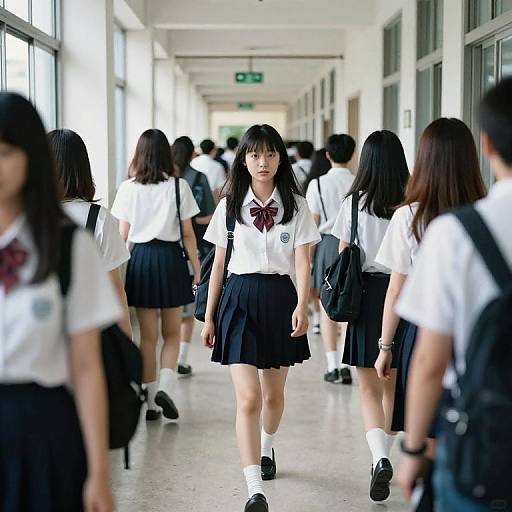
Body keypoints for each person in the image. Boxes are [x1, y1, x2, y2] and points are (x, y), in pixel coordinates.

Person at [392, 81, 512, 511]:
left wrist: (411, 450)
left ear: (489, 144)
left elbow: (429, 362)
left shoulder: (457, 234)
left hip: (486, 441)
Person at [0, 92, 120, 511]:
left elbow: (87, 369)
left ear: (31, 157)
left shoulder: (68, 247)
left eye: (6, 152)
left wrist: (99, 474)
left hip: (43, 427)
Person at [201, 124, 320, 512]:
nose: (262, 162)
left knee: (273, 395)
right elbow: (218, 265)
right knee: (248, 398)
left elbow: (303, 262)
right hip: (237, 300)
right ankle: (255, 489)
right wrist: (208, 316)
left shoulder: (297, 205)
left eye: (270, 154)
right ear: (244, 159)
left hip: (281, 299)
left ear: (280, 158)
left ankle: (267, 446)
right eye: (254, 155)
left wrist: (303, 304)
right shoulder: (229, 205)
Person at [374, 119, 486, 483]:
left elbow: (396, 289)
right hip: (479, 335)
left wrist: (385, 345)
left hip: (421, 333)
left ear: (423, 161)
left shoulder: (410, 215)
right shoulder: (487, 214)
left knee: (431, 428)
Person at [331, 130, 409, 502]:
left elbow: (344, 254)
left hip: (364, 295)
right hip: (406, 297)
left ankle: (378, 457)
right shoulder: (413, 202)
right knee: (392, 384)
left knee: (367, 387)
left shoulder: (352, 204)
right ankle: (384, 458)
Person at [111, 129, 201, 422]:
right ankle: (165, 387)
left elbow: (123, 236)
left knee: (147, 338)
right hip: (171, 259)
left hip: (141, 260)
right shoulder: (179, 187)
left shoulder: (128, 188)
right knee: (172, 333)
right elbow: (188, 234)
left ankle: (150, 404)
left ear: (139, 154)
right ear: (166, 153)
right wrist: (197, 269)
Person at [48, 128, 132, 338]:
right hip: (88, 330)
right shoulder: (99, 218)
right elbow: (114, 288)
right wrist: (127, 340)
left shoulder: (23, 215)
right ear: (83, 168)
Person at [306, 134, 356, 384]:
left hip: (326, 244)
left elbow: (312, 225)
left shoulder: (316, 185)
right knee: (349, 306)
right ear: (353, 154)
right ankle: (347, 364)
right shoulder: (360, 182)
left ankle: (332, 365)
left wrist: (310, 259)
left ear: (327, 155)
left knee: (328, 307)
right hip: (353, 248)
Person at [172, 135, 216, 377]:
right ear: (193, 154)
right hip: (195, 245)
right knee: (187, 309)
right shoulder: (198, 179)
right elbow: (207, 215)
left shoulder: (160, 180)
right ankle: (180, 358)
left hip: (165, 249)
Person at [303, 148, 332, 334]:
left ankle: (317, 318)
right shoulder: (356, 180)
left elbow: (314, 219)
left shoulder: (317, 184)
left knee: (319, 282)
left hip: (323, 240)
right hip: (350, 242)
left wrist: (308, 255)